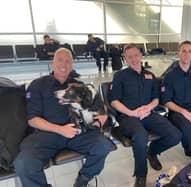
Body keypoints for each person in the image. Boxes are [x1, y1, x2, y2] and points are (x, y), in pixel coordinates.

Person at [13, 48, 115, 187]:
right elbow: (32, 119)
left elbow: (98, 105)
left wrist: (101, 117)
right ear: (52, 63)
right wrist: (60, 130)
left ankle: (83, 180)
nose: (64, 64)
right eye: (60, 60)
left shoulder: (79, 85)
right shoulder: (38, 85)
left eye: (68, 61)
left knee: (104, 146)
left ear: (72, 65)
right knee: (24, 163)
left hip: (78, 131)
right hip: (48, 133)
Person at [109, 44, 181, 187]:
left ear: (141, 56)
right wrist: (132, 112)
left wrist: (148, 107)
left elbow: (156, 98)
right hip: (128, 116)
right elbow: (114, 101)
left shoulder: (150, 76)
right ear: (125, 59)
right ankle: (141, 175)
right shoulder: (120, 76)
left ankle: (152, 152)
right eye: (129, 57)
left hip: (148, 114)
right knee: (140, 136)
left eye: (136, 55)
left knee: (175, 135)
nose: (133, 59)